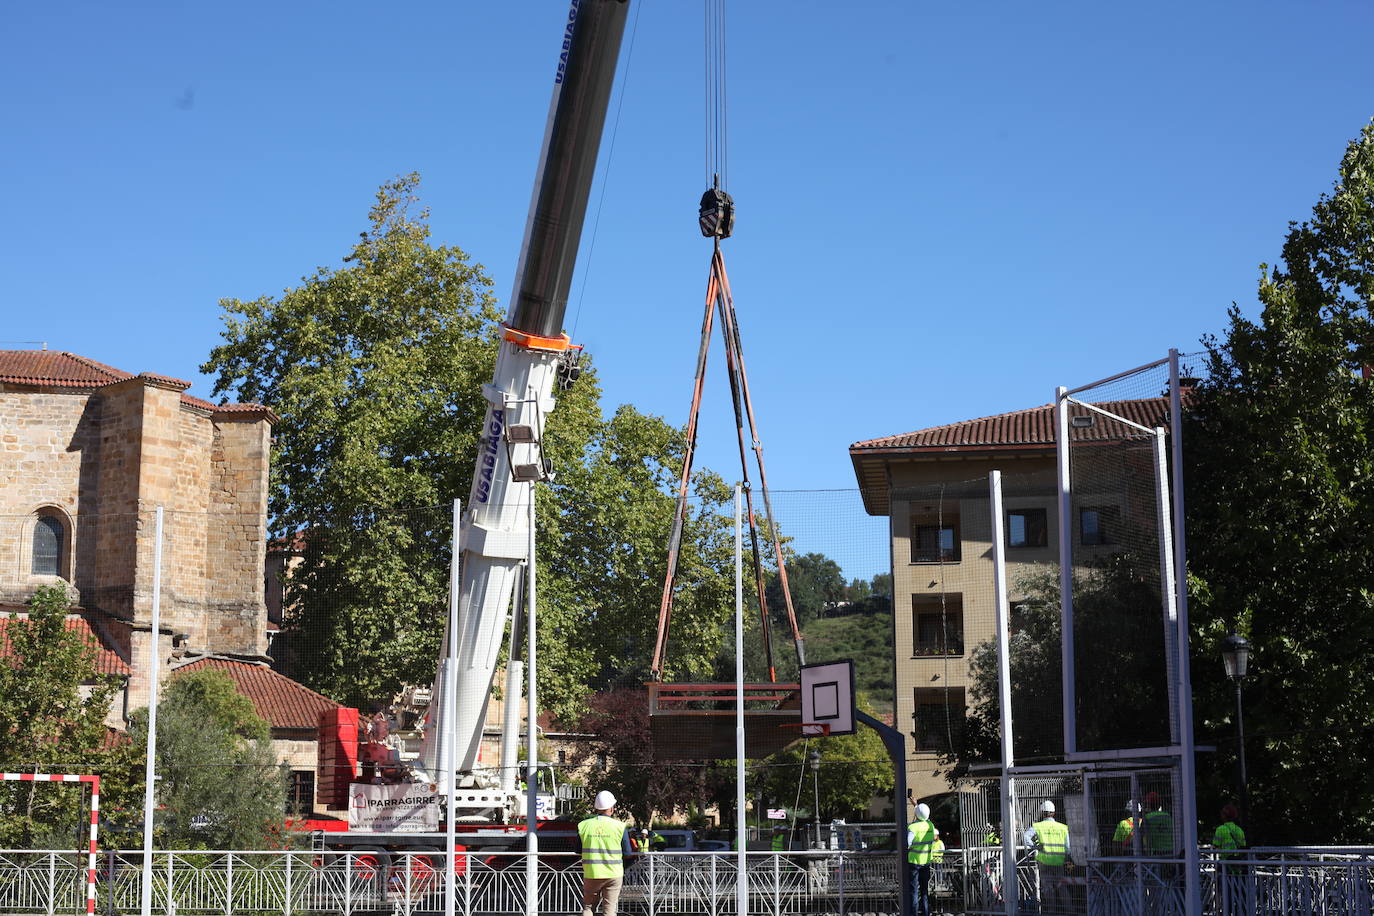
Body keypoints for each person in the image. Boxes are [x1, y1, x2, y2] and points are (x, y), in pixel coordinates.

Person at [577, 790, 632, 916]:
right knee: (609, 910)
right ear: (612, 808)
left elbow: (578, 850)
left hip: (591, 873)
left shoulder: (583, 825)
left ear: (597, 807)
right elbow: (628, 852)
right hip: (614, 874)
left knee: (588, 908)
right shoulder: (620, 826)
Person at [1023, 800, 1071, 915]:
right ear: (1053, 813)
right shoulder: (1063, 827)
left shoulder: (1038, 826)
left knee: (1047, 888)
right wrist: (1067, 859)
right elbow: (1068, 847)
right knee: (1062, 887)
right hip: (1059, 862)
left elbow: (1025, 837)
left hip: (1044, 861)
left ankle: (1051, 912)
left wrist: (1036, 846)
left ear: (1042, 813)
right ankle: (1070, 911)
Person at [907, 801, 940, 916]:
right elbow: (925, 817)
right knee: (924, 892)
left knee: (914, 892)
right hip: (926, 863)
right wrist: (916, 806)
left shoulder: (912, 827)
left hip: (914, 863)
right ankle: (926, 913)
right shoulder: (930, 826)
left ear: (916, 814)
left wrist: (916, 808)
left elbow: (907, 844)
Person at [1141, 792, 1174, 856]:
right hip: (1171, 851)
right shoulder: (1168, 816)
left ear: (1148, 804)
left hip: (1155, 853)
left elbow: (1141, 835)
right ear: (1159, 804)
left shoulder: (1147, 818)